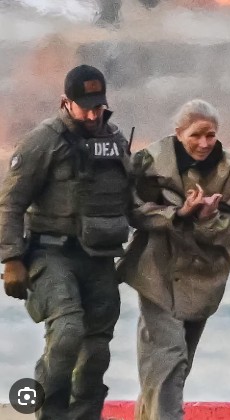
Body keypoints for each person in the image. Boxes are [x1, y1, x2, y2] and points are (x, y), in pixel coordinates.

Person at [0, 64, 131, 419]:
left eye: (98, 106)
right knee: (67, 332)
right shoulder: (44, 141)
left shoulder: (115, 140)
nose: (92, 114)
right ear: (66, 102)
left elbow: (129, 196)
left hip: (99, 255)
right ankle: (47, 410)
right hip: (51, 252)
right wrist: (11, 258)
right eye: (84, 107)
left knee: (97, 350)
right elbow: (10, 203)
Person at [117, 99, 230, 420]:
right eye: (196, 135)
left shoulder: (228, 169)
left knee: (178, 363)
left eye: (211, 135)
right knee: (168, 355)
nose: (204, 143)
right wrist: (177, 213)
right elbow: (131, 208)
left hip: (203, 277)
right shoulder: (151, 161)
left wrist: (208, 219)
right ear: (178, 132)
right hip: (158, 273)